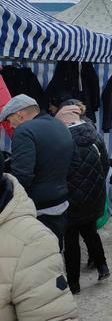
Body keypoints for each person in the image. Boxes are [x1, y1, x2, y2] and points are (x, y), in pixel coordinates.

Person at [0, 159, 79, 320]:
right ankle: (76, 282)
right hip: (60, 198)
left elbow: (24, 172)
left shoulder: (30, 242)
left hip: (41, 205)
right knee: (71, 240)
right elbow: (74, 162)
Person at [0, 94, 74, 250]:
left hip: (39, 208)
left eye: (8, 120)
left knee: (39, 257)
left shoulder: (24, 131)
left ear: (19, 115)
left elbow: (22, 176)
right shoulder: (58, 123)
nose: (10, 126)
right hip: (61, 201)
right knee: (54, 253)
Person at [55, 104, 111, 294]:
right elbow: (105, 164)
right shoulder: (94, 135)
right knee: (90, 231)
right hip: (94, 196)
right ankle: (102, 266)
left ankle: (74, 283)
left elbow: (61, 171)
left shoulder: (62, 140)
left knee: (71, 240)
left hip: (71, 198)